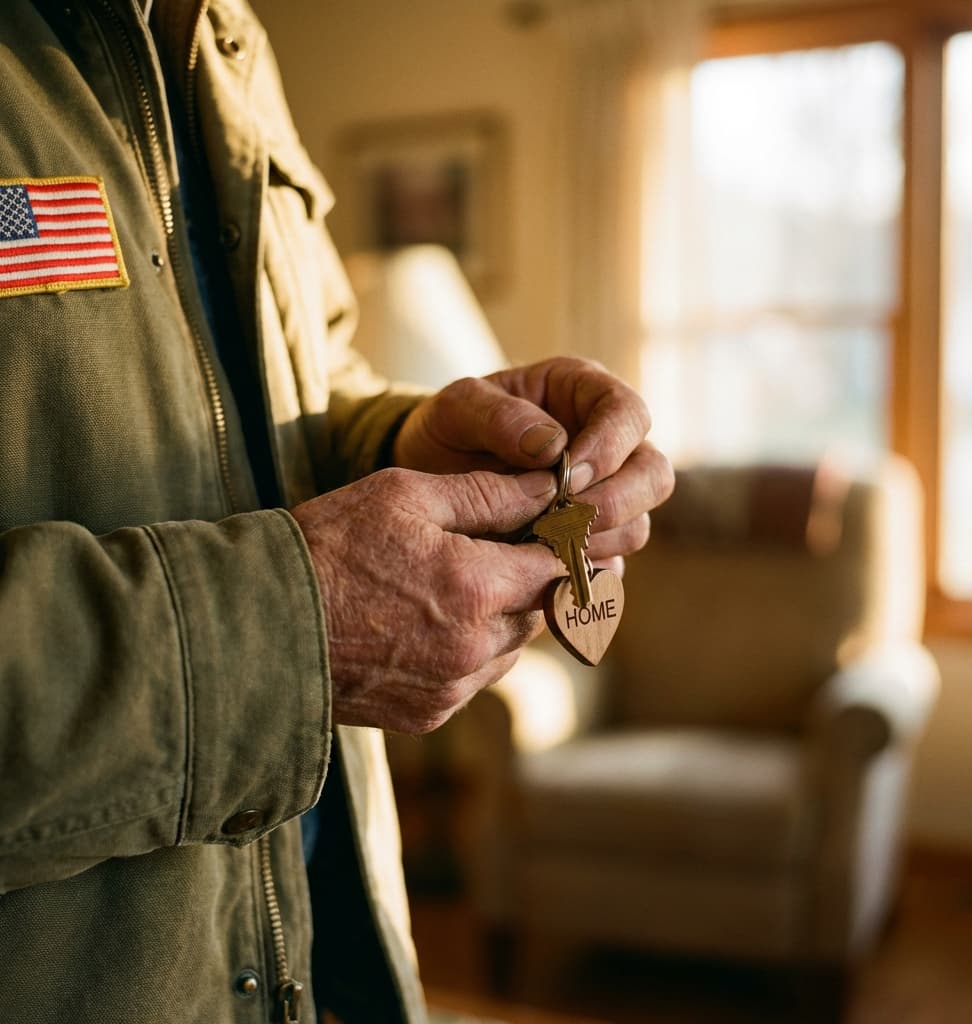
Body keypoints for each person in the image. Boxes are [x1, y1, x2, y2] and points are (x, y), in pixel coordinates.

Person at [0, 1, 674, 1022]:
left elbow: (294, 380)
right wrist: (292, 627)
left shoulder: (229, 42)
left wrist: (406, 439)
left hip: (327, 965)